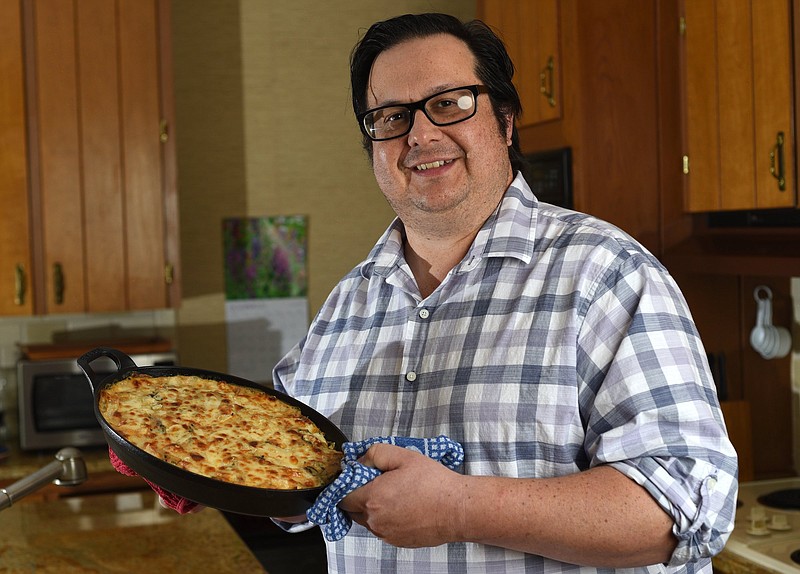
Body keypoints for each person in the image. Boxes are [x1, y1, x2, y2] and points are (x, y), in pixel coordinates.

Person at [269, 12, 738, 574]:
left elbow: (686, 506)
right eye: (391, 117)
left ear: (507, 121)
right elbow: (289, 466)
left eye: (449, 103)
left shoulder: (607, 274)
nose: (419, 135)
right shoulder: (345, 307)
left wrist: (464, 507)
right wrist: (183, 460)